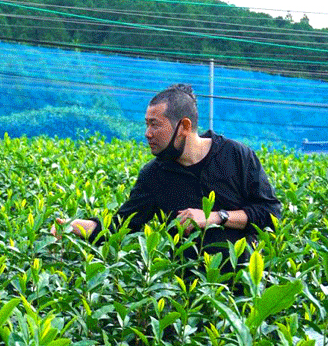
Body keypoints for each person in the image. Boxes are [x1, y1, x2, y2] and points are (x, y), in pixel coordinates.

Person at [52, 83, 282, 269]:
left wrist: (215, 217)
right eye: (146, 124)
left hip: (241, 288)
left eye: (155, 125)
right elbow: (121, 225)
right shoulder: (154, 175)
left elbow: (270, 214)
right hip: (184, 294)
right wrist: (74, 226)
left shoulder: (235, 155)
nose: (147, 133)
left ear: (184, 126)